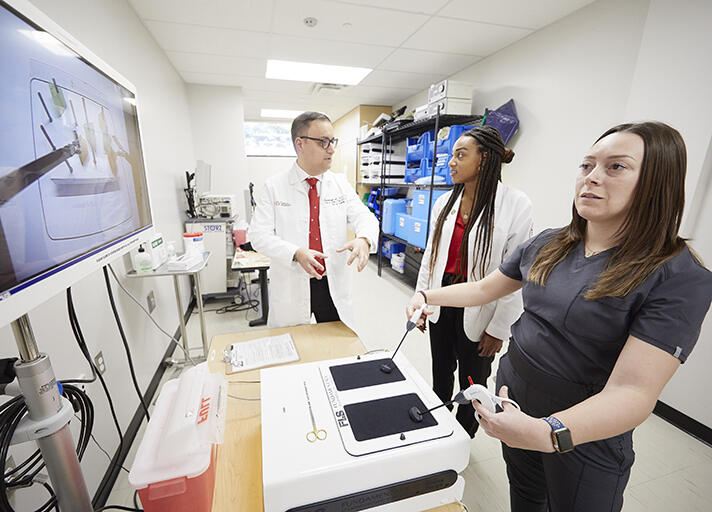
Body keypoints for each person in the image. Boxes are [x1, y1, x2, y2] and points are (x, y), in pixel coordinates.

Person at [406, 121, 712, 511]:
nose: (592, 178)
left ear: (658, 182)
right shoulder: (550, 243)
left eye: (615, 167)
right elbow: (485, 288)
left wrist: (546, 432)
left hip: (582, 434)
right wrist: (427, 295)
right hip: (515, 403)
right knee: (526, 498)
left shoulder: (677, 276)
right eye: (587, 166)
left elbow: (634, 392)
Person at [416, 125, 532, 438]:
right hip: (445, 299)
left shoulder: (516, 204)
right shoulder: (444, 204)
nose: (450, 162)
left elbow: (515, 274)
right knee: (441, 370)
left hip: (484, 307)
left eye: (460, 155)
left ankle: (463, 436)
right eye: (451, 155)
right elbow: (431, 257)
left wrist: (499, 329)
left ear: (484, 160)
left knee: (473, 381)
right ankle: (437, 427)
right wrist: (423, 300)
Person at [249, 111, 379, 330]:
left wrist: (364, 239)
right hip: (293, 282)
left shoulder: (339, 184)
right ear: (300, 144)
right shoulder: (274, 186)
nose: (331, 148)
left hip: (331, 282)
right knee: (292, 348)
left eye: (332, 141)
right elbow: (258, 236)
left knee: (337, 345)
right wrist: (296, 252)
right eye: (323, 142)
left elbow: (364, 216)